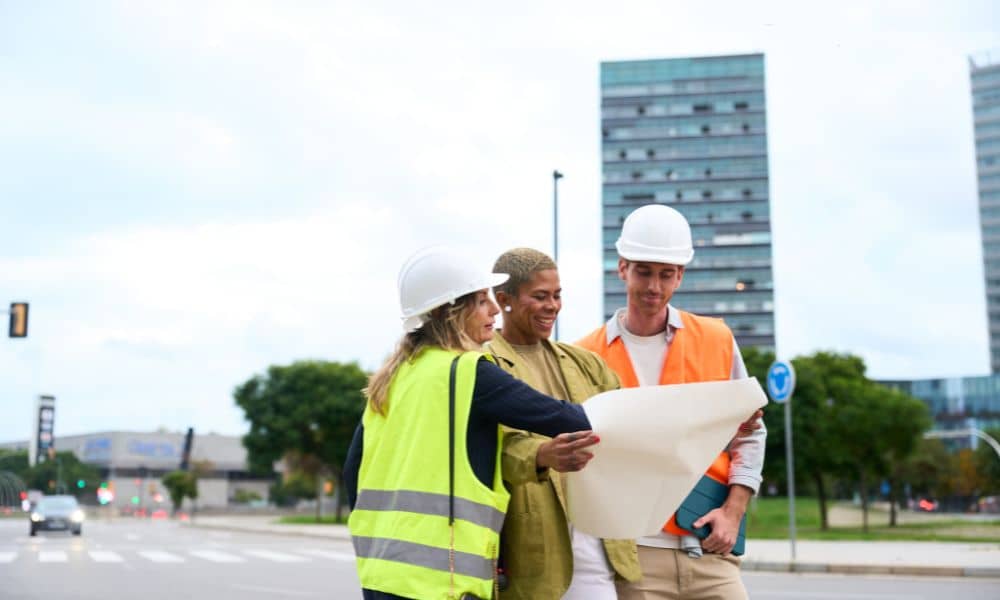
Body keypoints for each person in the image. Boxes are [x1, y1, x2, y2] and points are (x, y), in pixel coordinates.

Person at [344, 246, 600, 600]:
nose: (494, 309)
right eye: (481, 301)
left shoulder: (392, 378)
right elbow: (565, 418)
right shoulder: (468, 372)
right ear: (449, 313)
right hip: (440, 583)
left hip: (381, 575)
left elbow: (353, 472)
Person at [577, 204, 766, 600]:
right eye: (644, 271)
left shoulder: (716, 339)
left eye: (666, 274)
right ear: (622, 268)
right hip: (632, 559)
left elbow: (750, 434)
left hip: (710, 548)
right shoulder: (585, 355)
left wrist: (733, 513)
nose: (654, 286)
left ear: (680, 275)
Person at [484, 248, 640, 599]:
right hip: (531, 546)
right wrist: (540, 455)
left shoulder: (585, 363)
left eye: (557, 295)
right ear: (504, 300)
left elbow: (628, 415)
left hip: (595, 541)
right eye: (540, 296)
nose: (552, 306)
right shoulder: (482, 362)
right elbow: (484, 446)